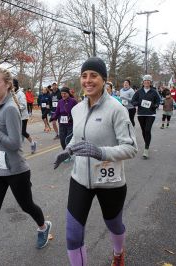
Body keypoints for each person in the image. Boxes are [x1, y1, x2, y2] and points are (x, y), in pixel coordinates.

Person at [53, 57, 137, 266]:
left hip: (110, 181)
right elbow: (77, 137)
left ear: (104, 79)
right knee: (73, 235)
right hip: (80, 178)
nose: (88, 80)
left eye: (94, 76)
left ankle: (118, 253)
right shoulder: (77, 109)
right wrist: (68, 149)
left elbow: (131, 148)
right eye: (84, 76)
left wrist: (101, 152)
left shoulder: (117, 109)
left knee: (114, 224)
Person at [0, 67, 51, 266]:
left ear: (7, 84)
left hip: (16, 170)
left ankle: (43, 227)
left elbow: (15, 144)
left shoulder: (10, 107)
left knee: (27, 205)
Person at [132, 75, 160, 159]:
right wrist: (138, 103)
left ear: (150, 82)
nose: (147, 82)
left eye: (148, 81)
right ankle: (146, 143)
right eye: (145, 81)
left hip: (150, 114)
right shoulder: (139, 92)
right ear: (143, 82)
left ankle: (146, 148)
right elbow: (133, 101)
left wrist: (153, 105)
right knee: (144, 131)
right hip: (141, 114)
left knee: (148, 130)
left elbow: (158, 102)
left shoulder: (154, 92)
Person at [13, 79, 37, 154]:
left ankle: (33, 143)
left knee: (23, 132)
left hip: (23, 116)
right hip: (15, 116)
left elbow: (23, 105)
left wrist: (15, 107)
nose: (11, 87)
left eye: (12, 86)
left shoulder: (20, 94)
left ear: (15, 85)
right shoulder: (11, 93)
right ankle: (17, 147)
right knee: (15, 132)